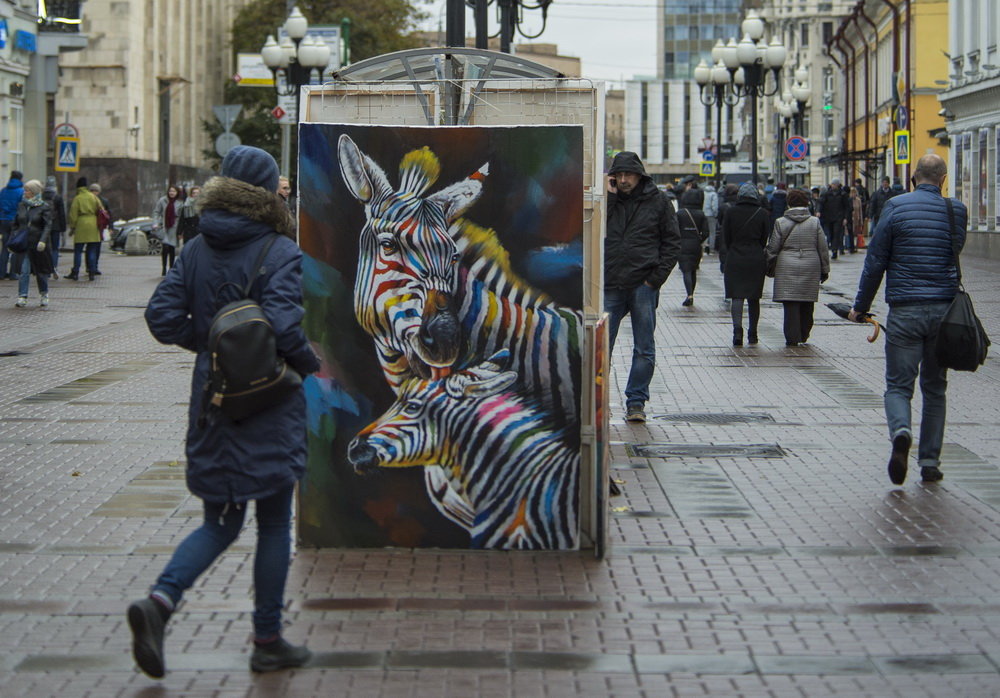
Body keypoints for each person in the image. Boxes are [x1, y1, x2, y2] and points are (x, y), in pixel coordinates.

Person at [129, 145, 320, 678]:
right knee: (275, 521)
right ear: (265, 195)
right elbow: (283, 329)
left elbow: (162, 316)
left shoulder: (194, 248)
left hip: (214, 400)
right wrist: (309, 363)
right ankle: (267, 639)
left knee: (220, 521)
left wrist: (217, 345)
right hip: (270, 399)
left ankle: (160, 603)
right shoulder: (280, 250)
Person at [849, 154, 964, 486]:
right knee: (935, 388)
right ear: (942, 179)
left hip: (905, 310)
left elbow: (876, 261)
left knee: (899, 386)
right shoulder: (956, 211)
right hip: (943, 311)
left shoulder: (896, 207)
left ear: (914, 177)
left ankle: (901, 430)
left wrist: (861, 306)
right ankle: (929, 462)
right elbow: (952, 254)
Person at [604, 151, 681, 423]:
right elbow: (595, 230)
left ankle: (636, 401)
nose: (624, 180)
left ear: (640, 175)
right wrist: (610, 195)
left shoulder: (658, 201)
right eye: (619, 175)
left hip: (643, 284)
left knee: (644, 347)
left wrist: (654, 279)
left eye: (629, 175)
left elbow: (672, 243)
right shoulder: (607, 201)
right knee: (601, 344)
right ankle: (596, 399)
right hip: (611, 282)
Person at [766, 189, 830, 346]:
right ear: (806, 203)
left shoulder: (781, 222)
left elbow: (773, 247)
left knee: (790, 303)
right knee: (807, 301)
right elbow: (822, 247)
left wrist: (769, 265)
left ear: (789, 203)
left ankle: (792, 337)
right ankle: (804, 333)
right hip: (810, 263)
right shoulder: (814, 222)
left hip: (786, 264)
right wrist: (825, 268)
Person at [722, 182, 769, 346]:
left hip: (735, 256)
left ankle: (737, 331)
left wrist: (732, 249)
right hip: (755, 258)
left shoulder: (731, 212)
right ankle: (753, 333)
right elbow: (764, 239)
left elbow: (726, 236)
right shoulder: (762, 213)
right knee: (754, 297)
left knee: (737, 295)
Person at [12, 180, 54, 308]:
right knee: (24, 271)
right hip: (24, 244)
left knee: (40, 271)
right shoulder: (21, 205)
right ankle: (22, 296)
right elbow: (16, 223)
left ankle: (44, 294)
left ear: (34, 192)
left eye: (27, 190)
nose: (25, 192)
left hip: (37, 244)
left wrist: (42, 240)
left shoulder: (44, 206)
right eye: (25, 190)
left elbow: (47, 225)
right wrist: (15, 236)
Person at [67, 176, 103, 281]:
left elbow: (73, 214)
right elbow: (101, 209)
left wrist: (72, 227)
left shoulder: (77, 198)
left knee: (78, 250)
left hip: (81, 224)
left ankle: (75, 272)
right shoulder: (93, 197)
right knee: (91, 250)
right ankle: (91, 272)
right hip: (93, 223)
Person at [677, 188, 708, 307]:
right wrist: (698, 240)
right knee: (693, 270)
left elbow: (674, 229)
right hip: (696, 245)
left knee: (686, 270)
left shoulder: (680, 213)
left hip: (682, 244)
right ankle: (691, 294)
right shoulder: (701, 214)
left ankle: (689, 295)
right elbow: (706, 232)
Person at [0, 170, 25, 280]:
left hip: (3, 220)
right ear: (20, 179)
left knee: (4, 248)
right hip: (15, 221)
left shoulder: (3, 191)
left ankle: (1, 273)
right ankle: (13, 273)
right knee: (15, 247)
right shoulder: (21, 191)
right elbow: (22, 208)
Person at [153, 185, 181, 275]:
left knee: (172, 248)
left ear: (177, 193)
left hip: (174, 227)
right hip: (164, 226)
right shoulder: (163, 200)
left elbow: (181, 216)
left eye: (174, 191)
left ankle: (171, 268)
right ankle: (164, 267)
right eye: (170, 191)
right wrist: (156, 222)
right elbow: (156, 212)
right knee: (165, 247)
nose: (171, 193)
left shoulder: (180, 203)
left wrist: (181, 230)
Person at [818, 178, 849, 259]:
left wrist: (845, 218)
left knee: (836, 233)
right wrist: (818, 211)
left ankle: (834, 250)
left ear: (838, 185)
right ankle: (833, 248)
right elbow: (821, 202)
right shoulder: (827, 194)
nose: (833, 186)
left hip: (839, 217)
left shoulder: (842, 194)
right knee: (830, 234)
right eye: (832, 184)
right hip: (828, 217)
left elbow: (846, 207)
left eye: (834, 184)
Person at [43, 177, 66, 278]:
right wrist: (63, 227)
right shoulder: (57, 197)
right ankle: (54, 268)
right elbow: (61, 214)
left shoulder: (41, 196)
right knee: (55, 248)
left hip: (43, 225)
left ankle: (45, 270)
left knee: (45, 248)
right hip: (55, 226)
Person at [89, 182, 112, 275]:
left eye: (96, 191)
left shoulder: (102, 201)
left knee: (94, 247)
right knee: (94, 247)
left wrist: (110, 226)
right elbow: (108, 214)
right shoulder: (102, 201)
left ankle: (93, 266)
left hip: (98, 227)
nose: (95, 193)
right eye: (93, 191)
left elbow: (109, 214)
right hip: (97, 226)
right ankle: (93, 267)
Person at [702, 182, 719, 254]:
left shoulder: (703, 193)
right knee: (712, 232)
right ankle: (711, 249)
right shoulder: (713, 194)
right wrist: (716, 214)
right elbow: (714, 206)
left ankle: (703, 248)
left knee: (704, 232)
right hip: (711, 215)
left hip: (703, 214)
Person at [849, 185, 866, 250]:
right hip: (850, 219)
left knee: (857, 233)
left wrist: (861, 221)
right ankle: (850, 245)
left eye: (854, 192)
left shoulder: (858, 200)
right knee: (850, 233)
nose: (853, 194)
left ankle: (856, 245)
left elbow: (860, 211)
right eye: (852, 192)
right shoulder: (849, 200)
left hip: (857, 219)